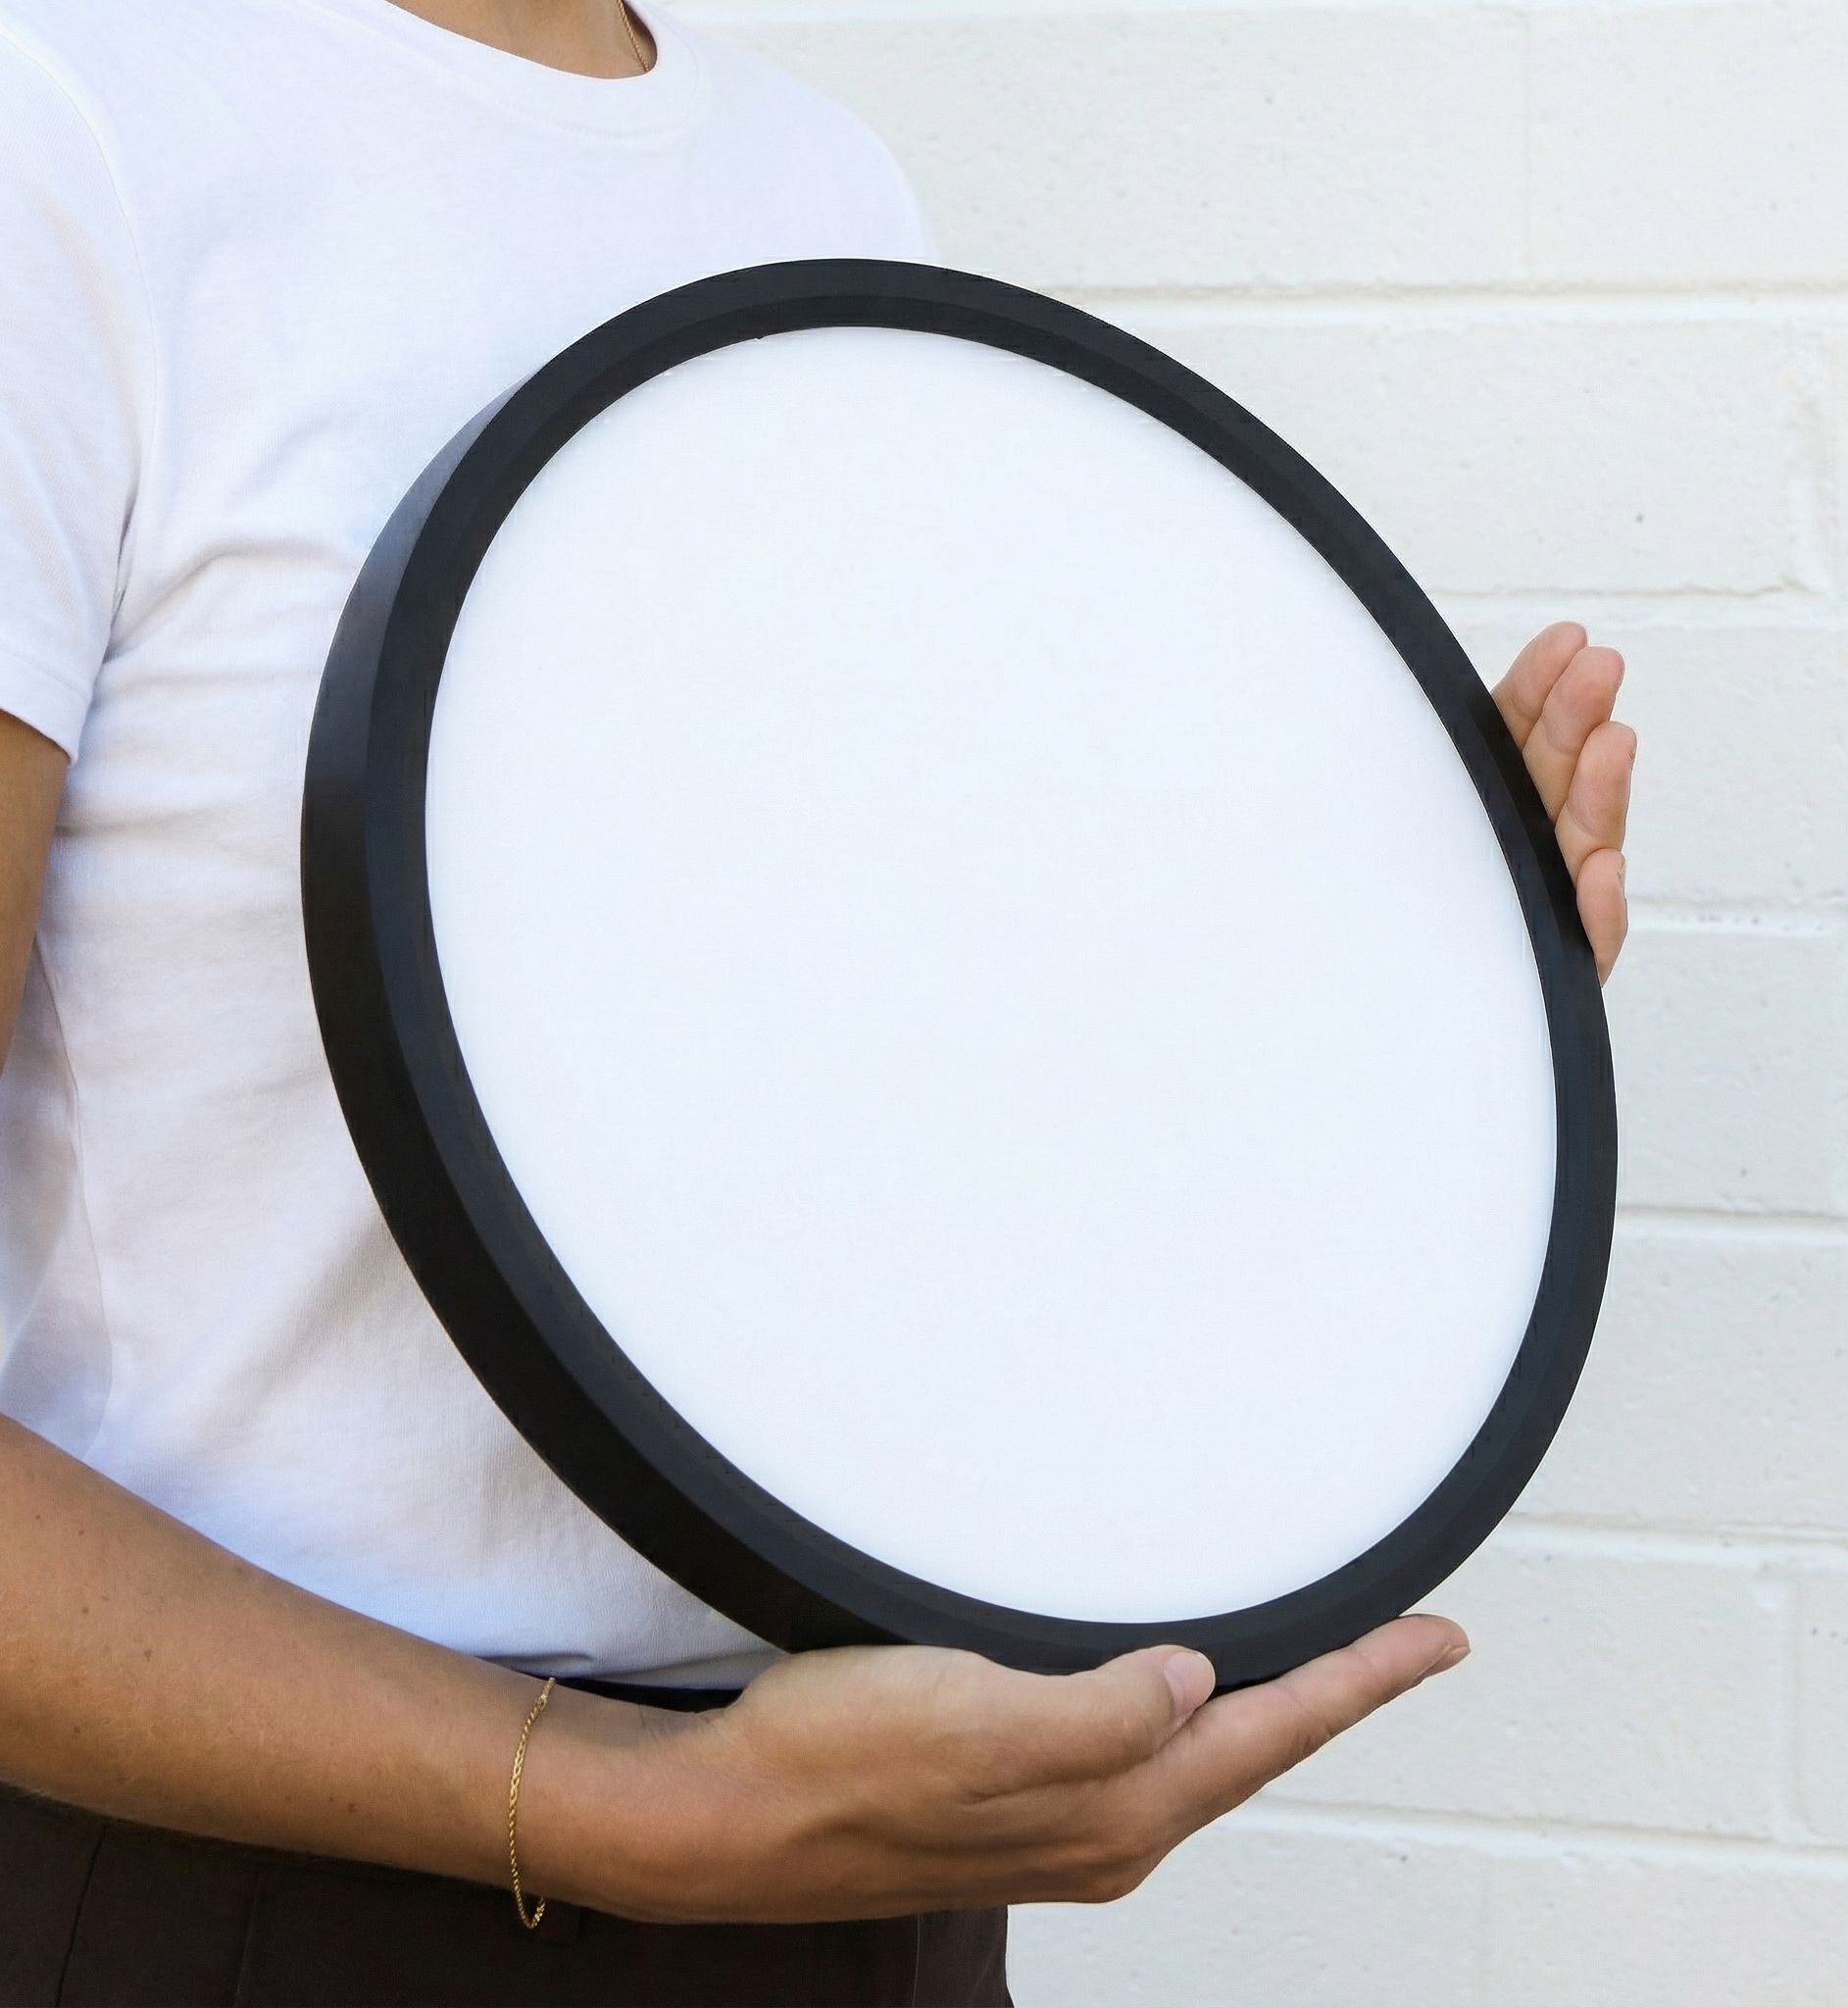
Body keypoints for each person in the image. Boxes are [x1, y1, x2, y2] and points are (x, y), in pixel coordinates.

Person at [0, 1, 1637, 2001]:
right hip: (261, 1901)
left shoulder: (813, 184)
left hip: (868, 1880)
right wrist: (614, 1809)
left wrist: (1387, 1007)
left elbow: (887, 1077)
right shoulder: (66, 130)